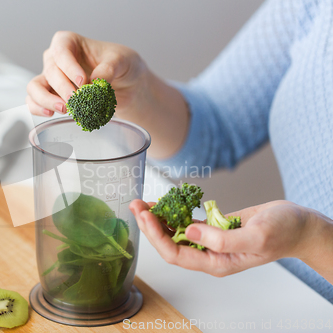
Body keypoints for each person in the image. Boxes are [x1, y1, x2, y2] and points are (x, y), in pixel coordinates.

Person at [26, 0, 333, 303]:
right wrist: (138, 95)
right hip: (288, 299)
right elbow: (220, 124)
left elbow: (311, 238)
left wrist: (313, 239)